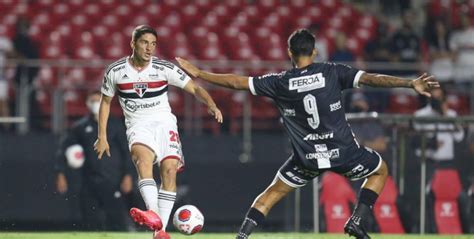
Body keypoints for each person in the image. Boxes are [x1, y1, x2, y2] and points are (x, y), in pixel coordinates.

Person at [176, 29, 439, 239]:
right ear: (314, 51)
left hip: (307, 157)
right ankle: (356, 221)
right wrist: (408, 83)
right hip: (343, 152)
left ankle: (243, 236)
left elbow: (237, 82)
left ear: (290, 53)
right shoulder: (332, 71)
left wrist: (200, 73)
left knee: (270, 194)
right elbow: (371, 78)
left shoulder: (280, 82)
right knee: (380, 170)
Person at [94, 25, 223, 239]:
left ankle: (159, 230)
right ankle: (153, 213)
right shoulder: (115, 71)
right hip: (138, 125)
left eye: (153, 44)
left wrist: (211, 104)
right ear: (133, 43)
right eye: (145, 42)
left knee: (169, 170)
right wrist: (102, 136)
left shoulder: (164, 68)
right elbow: (105, 102)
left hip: (164, 123)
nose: (149, 48)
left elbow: (195, 88)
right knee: (142, 160)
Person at [55, 91, 134, 231]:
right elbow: (64, 149)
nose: (95, 104)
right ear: (87, 103)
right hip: (88, 181)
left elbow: (127, 152)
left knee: (117, 222)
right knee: (90, 222)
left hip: (113, 180)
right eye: (92, 100)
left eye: (99, 100)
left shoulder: (116, 125)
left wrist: (128, 175)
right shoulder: (79, 127)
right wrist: (60, 173)